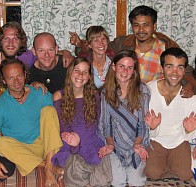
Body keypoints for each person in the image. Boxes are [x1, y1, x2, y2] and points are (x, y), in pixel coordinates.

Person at [70, 5, 194, 96]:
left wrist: (190, 85)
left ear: (154, 26)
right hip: (126, 100)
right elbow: (99, 47)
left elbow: (186, 69)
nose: (141, 30)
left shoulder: (167, 47)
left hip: (157, 100)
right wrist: (67, 50)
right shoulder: (123, 44)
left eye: (146, 25)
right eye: (136, 25)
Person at [0, 58, 63, 186]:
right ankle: (49, 166)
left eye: (19, 76)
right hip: (22, 150)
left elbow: (61, 107)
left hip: (45, 145)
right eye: (10, 78)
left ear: (25, 75)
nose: (16, 82)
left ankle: (48, 168)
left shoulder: (40, 92)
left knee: (49, 111)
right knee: (0, 143)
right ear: (4, 81)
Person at [51, 57, 112, 186]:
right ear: (70, 73)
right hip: (71, 147)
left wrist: (108, 144)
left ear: (89, 76)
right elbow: (64, 129)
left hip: (93, 146)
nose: (80, 75)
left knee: (103, 180)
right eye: (77, 70)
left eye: (85, 72)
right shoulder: (59, 95)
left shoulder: (96, 96)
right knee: (76, 168)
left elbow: (101, 125)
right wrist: (75, 145)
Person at [100, 50, 150, 186]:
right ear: (114, 67)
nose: (125, 71)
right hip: (115, 144)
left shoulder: (142, 91)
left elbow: (142, 125)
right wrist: (110, 144)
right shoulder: (106, 92)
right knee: (117, 181)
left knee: (137, 182)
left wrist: (137, 144)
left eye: (130, 68)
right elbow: (106, 124)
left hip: (136, 142)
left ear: (134, 70)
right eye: (121, 66)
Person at [144, 47, 196, 181]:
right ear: (162, 68)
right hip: (156, 140)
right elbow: (143, 129)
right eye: (169, 67)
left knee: (185, 176)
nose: (175, 72)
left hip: (179, 141)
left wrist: (189, 130)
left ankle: (172, 165)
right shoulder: (148, 91)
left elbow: (189, 132)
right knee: (153, 173)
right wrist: (153, 128)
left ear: (185, 70)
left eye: (180, 67)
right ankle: (163, 165)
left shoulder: (190, 95)